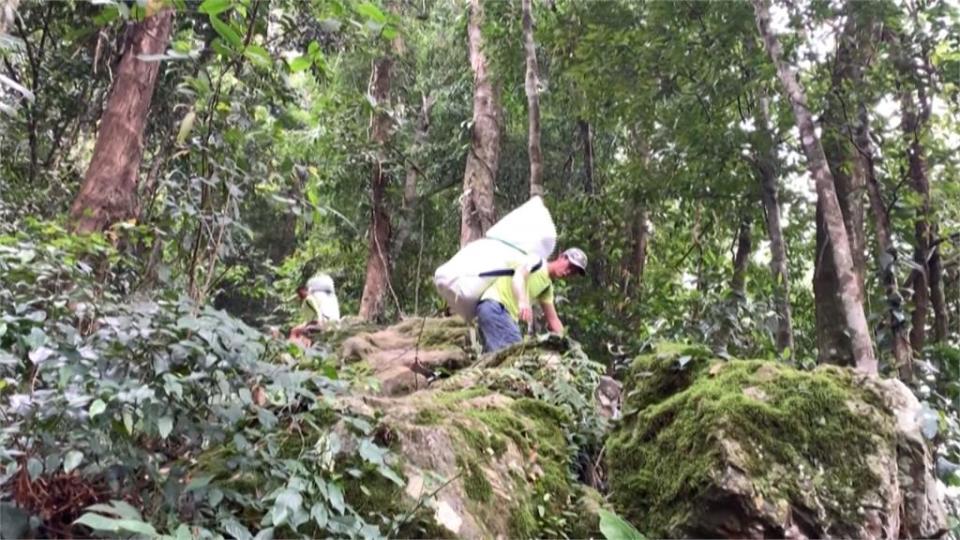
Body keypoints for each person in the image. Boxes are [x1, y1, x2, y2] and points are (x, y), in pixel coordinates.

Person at [476, 247, 587, 353]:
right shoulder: (536, 261)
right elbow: (518, 276)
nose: (569, 272)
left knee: (502, 360)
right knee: (516, 356)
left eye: (574, 272)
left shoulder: (547, 287)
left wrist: (570, 346)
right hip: (495, 306)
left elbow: (553, 320)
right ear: (562, 257)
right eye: (570, 266)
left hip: (505, 317)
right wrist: (523, 301)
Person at [289, 273, 341, 344]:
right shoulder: (331, 297)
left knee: (295, 331)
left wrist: (320, 322)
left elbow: (318, 311)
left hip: (321, 323)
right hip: (332, 323)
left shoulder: (311, 298)